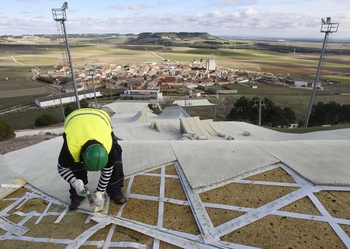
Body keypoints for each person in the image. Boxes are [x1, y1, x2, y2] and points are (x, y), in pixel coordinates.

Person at [57, 108, 127, 210]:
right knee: (75, 166)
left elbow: (107, 171)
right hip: (75, 120)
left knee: (116, 162)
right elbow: (61, 168)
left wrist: (100, 191)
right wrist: (74, 182)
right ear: (82, 154)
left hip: (100, 120)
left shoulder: (109, 148)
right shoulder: (70, 148)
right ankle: (78, 194)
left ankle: (115, 191)